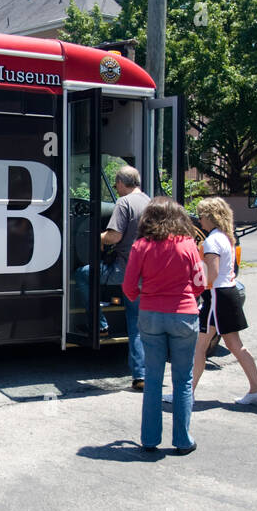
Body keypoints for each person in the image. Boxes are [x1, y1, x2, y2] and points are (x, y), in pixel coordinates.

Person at [123, 197, 206, 454]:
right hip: (183, 314)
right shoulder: (188, 244)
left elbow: (128, 287)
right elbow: (200, 282)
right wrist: (186, 295)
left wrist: (145, 296)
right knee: (182, 379)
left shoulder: (140, 246)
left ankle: (150, 439)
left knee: (153, 378)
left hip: (150, 314)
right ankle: (182, 440)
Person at [75, 165, 151, 387]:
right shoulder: (150, 203)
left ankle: (100, 325)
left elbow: (114, 237)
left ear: (120, 183)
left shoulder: (124, 203)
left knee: (83, 275)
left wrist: (99, 237)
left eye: (116, 184)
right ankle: (141, 375)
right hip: (145, 273)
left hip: (123, 270)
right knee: (136, 324)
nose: (116, 188)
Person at [185, 197, 257, 405]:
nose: (199, 220)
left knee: (200, 346)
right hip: (227, 293)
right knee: (234, 345)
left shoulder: (212, 241)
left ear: (210, 217)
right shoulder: (225, 237)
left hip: (216, 296)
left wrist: (195, 286)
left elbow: (211, 274)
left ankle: (186, 393)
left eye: (201, 216)